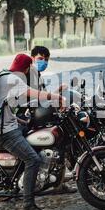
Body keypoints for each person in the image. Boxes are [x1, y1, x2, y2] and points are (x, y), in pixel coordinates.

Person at [0, 53, 66, 210]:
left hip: (9, 126)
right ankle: (28, 206)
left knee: (34, 133)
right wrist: (57, 97)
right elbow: (35, 94)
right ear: (25, 68)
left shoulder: (5, 75)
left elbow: (9, 105)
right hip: (4, 133)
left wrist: (22, 121)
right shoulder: (14, 79)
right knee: (33, 159)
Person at [29, 46, 77, 195]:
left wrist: (57, 93)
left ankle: (58, 183)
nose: (43, 62)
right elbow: (33, 97)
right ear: (32, 58)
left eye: (46, 60)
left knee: (61, 142)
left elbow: (42, 96)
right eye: (40, 59)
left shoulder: (38, 75)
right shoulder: (29, 75)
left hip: (38, 114)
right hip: (28, 118)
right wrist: (54, 97)